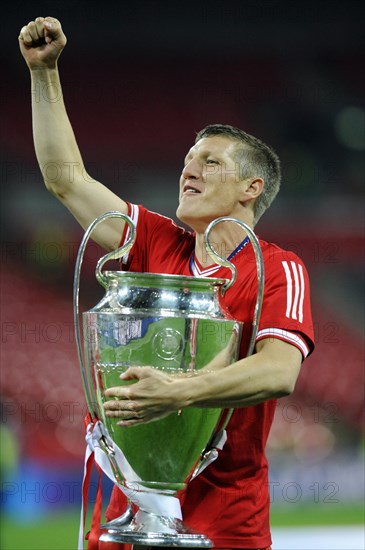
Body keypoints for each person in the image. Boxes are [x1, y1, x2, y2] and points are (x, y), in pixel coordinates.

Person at [19, 16, 314, 550]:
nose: (188, 169)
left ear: (253, 186)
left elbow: (278, 370)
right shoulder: (156, 241)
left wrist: (176, 392)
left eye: (209, 162)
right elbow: (65, 180)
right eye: (186, 160)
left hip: (224, 526)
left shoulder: (277, 267)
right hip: (121, 519)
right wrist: (45, 73)